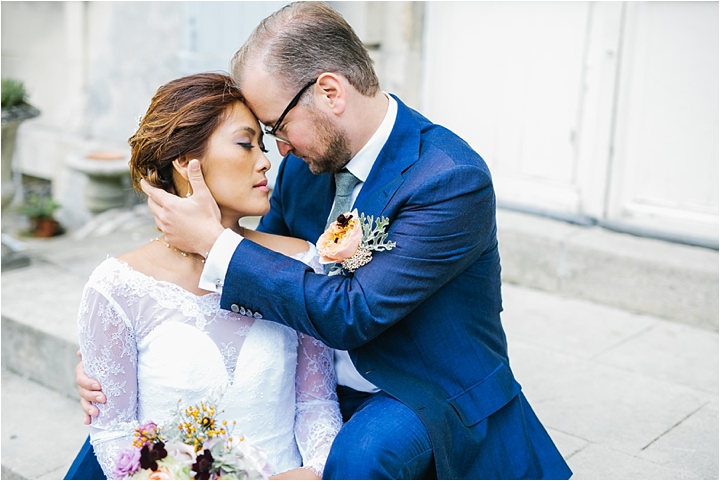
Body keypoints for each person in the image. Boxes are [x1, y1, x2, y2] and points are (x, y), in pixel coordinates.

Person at [78, 2, 573, 479]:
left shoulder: (447, 178)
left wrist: (213, 242)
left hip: (413, 382)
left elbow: (350, 313)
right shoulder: (304, 165)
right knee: (134, 444)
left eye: (276, 127)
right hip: (311, 363)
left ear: (330, 93)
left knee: (357, 457)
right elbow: (261, 270)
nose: (279, 151)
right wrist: (119, 355)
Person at [66, 72, 342, 480]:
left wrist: (316, 469)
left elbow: (316, 404)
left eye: (263, 147)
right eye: (246, 144)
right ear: (185, 161)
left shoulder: (301, 262)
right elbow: (114, 435)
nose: (266, 161)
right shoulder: (116, 288)